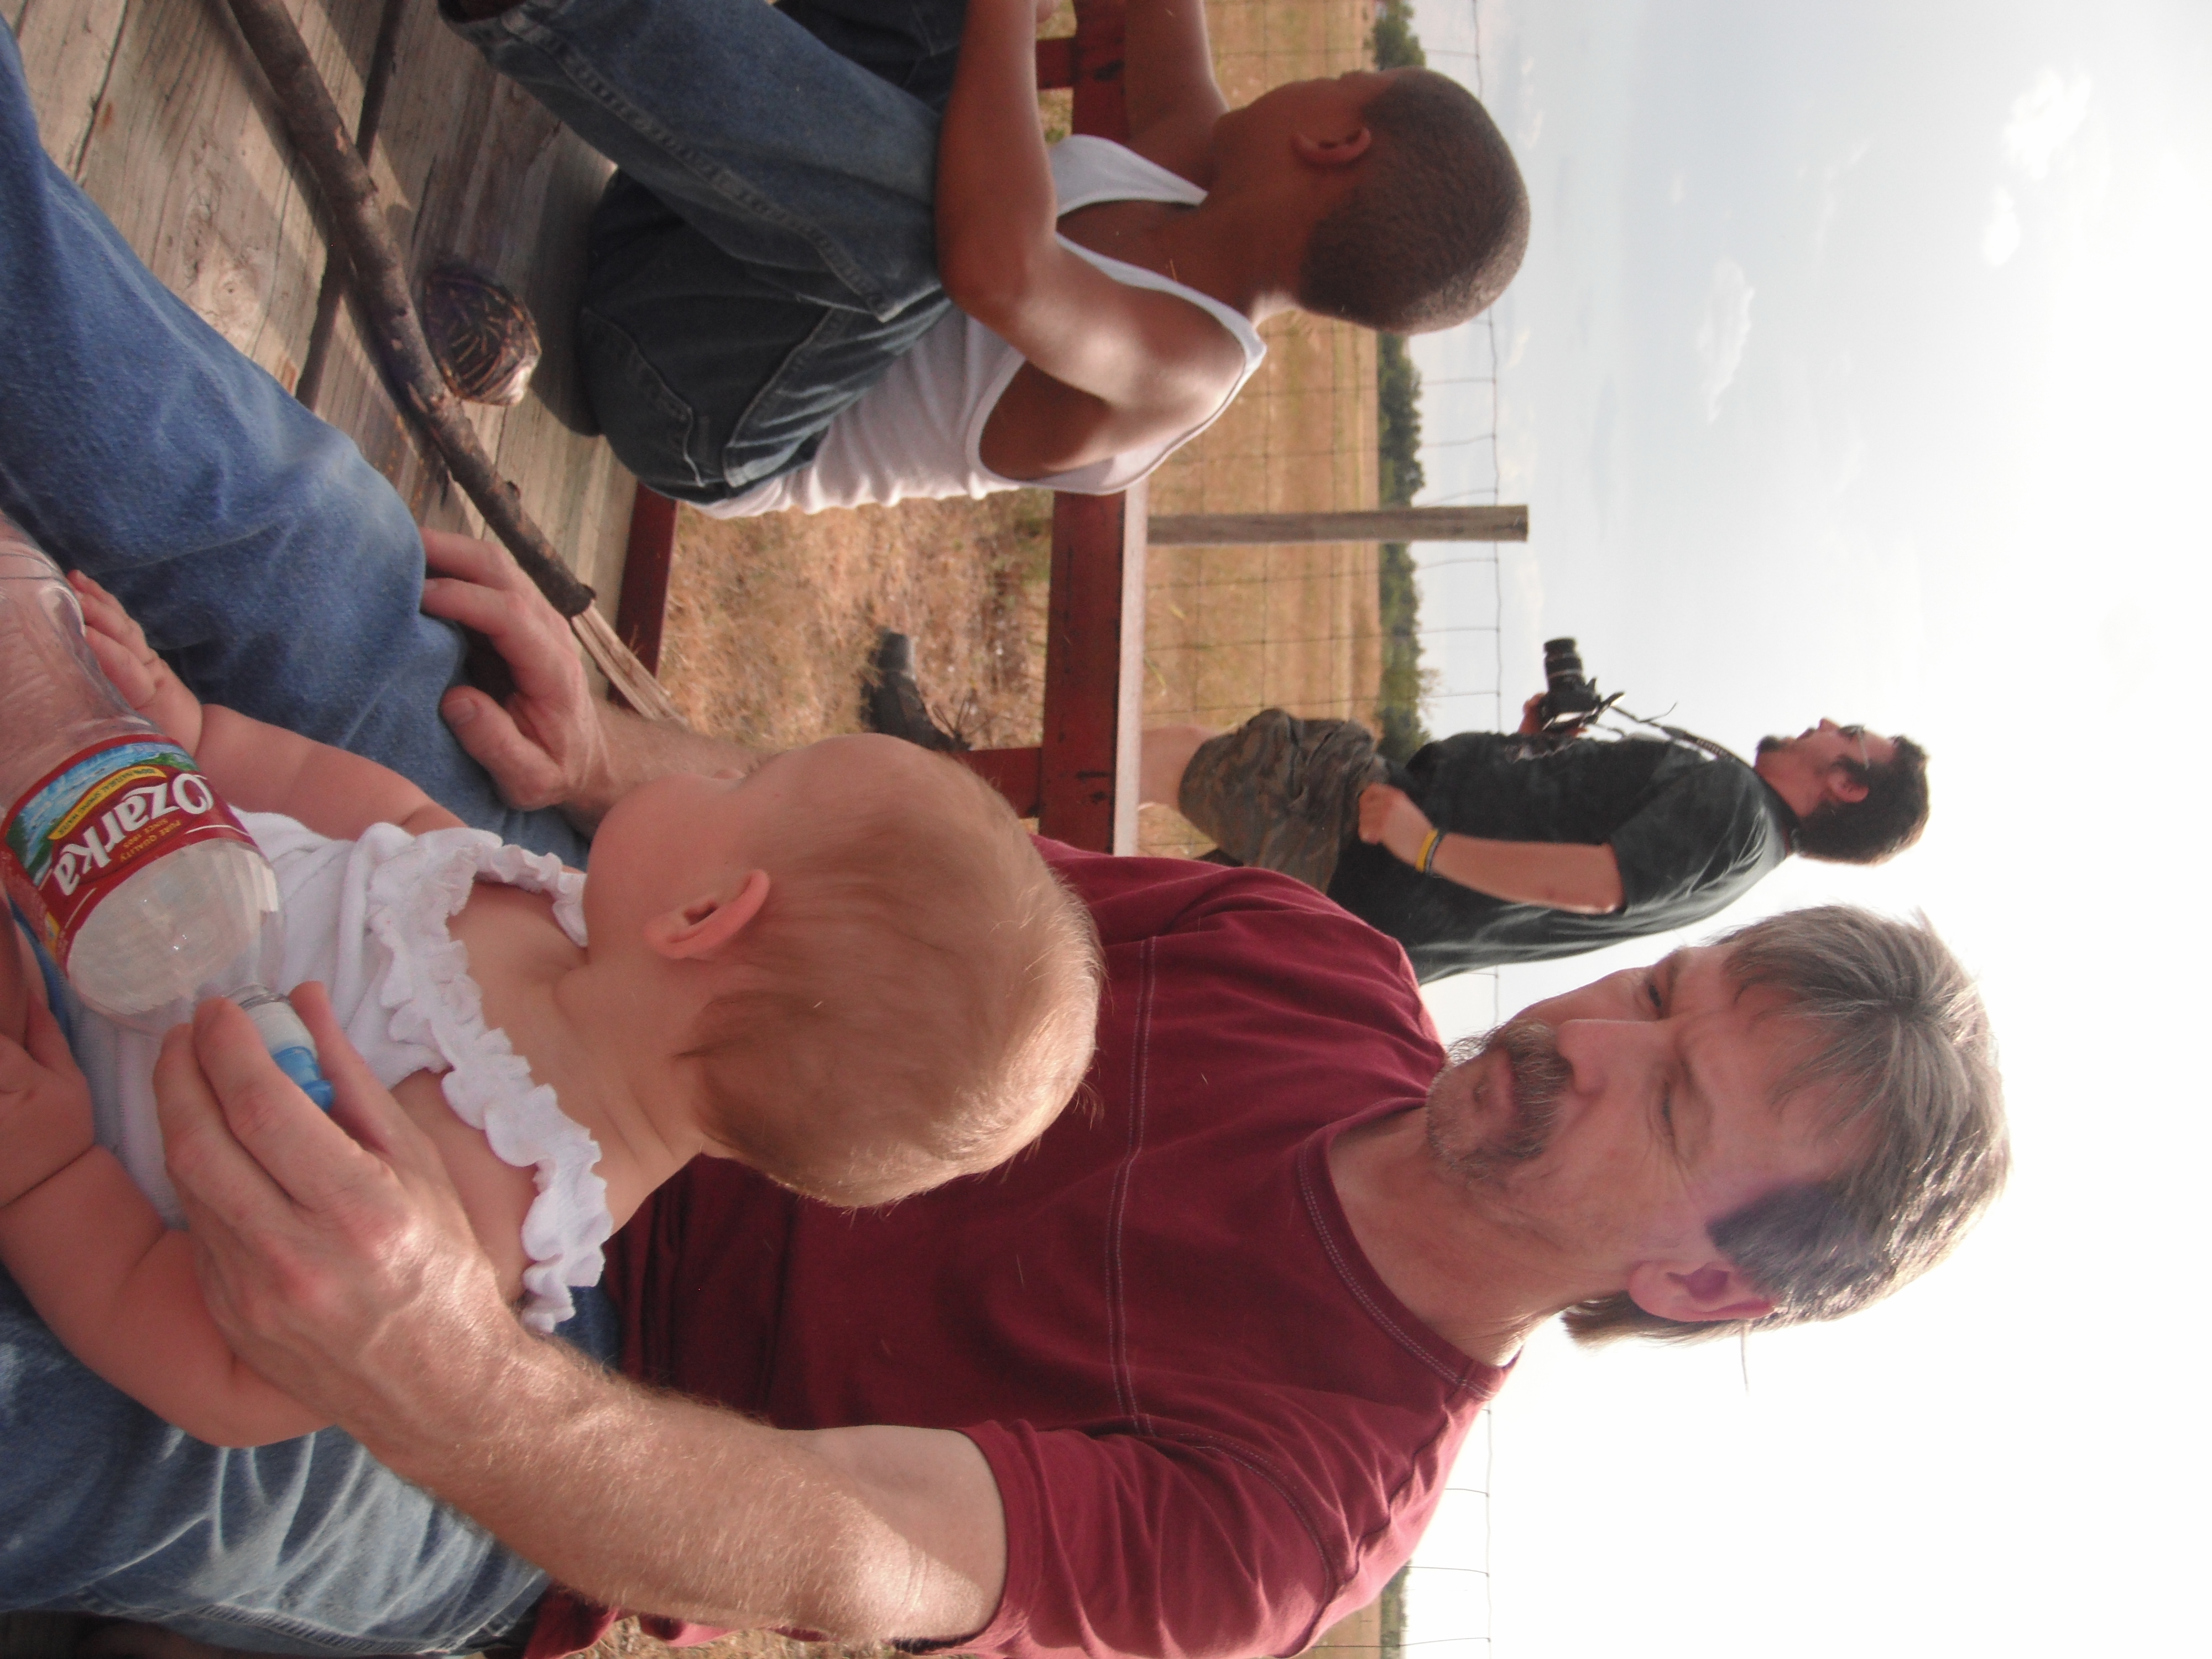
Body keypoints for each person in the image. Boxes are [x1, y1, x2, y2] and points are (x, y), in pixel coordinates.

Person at [0, 27, 2004, 1659]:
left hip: (575, 1379)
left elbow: (843, 1539)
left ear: (1701, 1285)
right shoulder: (1320, 969)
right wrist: (613, 756)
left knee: (159, 1427)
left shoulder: (1299, 1516)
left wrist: (439, 1365)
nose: (1591, 1040)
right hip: (590, 956)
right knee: (329, 564)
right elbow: (888, 893)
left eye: (1676, 1103)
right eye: (1659, 995)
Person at [0, 576, 1099, 1447]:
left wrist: (48, 1174)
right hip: (90, 832)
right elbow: (383, 822)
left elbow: (231, 1377)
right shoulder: (560, 920)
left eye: (741, 785)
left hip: (43, 1064)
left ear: (702, 916)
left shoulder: (487, 1208)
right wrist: (195, 737)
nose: (704, 770)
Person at [441, 0, 1529, 515]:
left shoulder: (1188, 364)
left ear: (1333, 140)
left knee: (937, 219)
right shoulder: (1193, 162)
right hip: (699, 240)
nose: (1309, 79)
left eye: (1338, 79)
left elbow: (996, 270)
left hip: (699, 409)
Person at [1139, 696, 1932, 981]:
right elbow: (1570, 855)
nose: (1826, 721)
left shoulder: (1738, 810)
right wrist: (1541, 746)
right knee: (1156, 913)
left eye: (1849, 734)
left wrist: (1425, 843)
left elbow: (1598, 885)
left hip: (1367, 847)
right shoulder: (1746, 853)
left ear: (1849, 785)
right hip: (1373, 899)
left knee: (1169, 757)